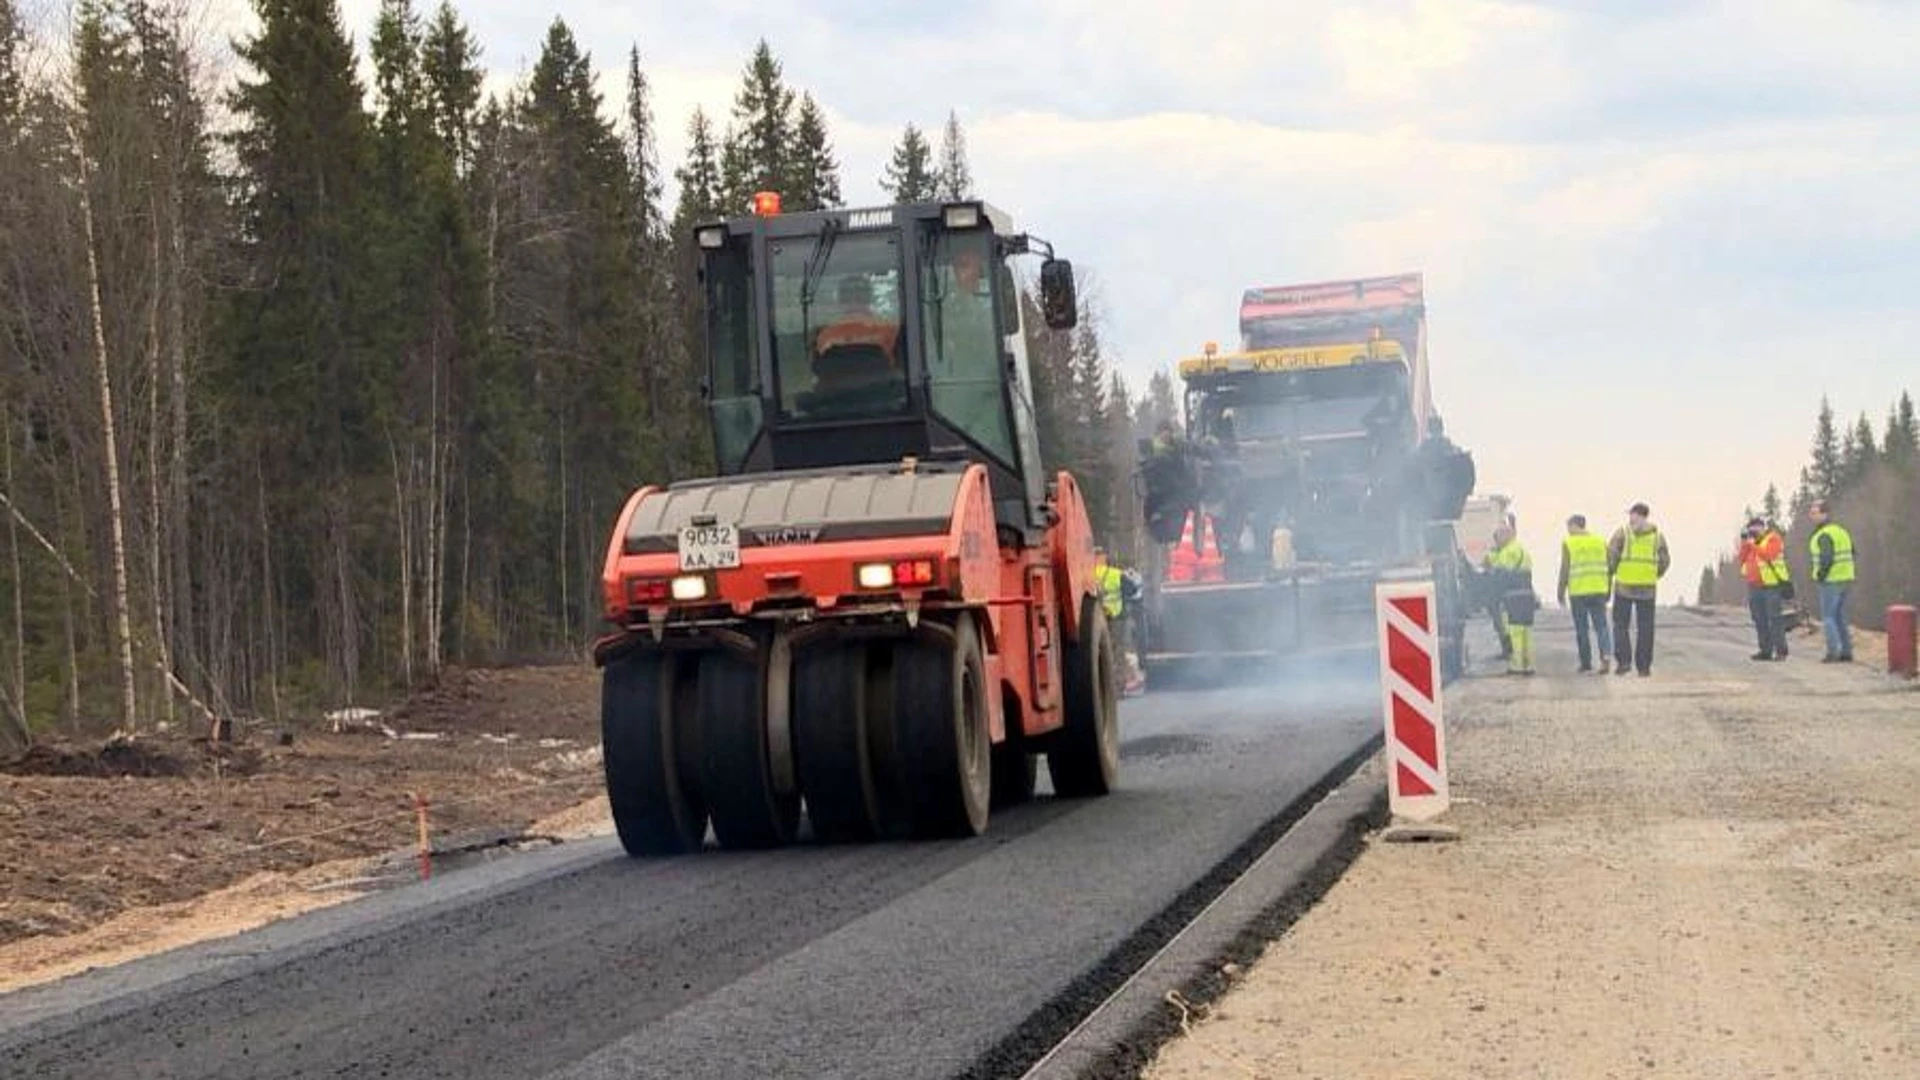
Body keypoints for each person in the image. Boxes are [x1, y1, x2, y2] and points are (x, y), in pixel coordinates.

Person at [1608, 502, 1670, 677]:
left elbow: (1611, 555)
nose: (1630, 518)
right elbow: (1665, 560)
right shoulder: (1658, 536)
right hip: (1647, 588)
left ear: (1639, 515)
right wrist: (1653, 574)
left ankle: (1624, 662)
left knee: (1620, 625)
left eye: (1632, 514)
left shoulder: (1622, 533)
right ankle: (1643, 667)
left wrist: (1612, 572)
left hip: (1624, 586)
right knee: (1646, 628)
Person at [1557, 514, 1613, 673]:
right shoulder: (1600, 541)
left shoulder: (1569, 542)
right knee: (1601, 626)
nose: (1568, 531)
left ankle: (1586, 662)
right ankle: (1606, 655)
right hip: (1598, 589)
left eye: (1569, 527)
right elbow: (1609, 567)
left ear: (1575, 525)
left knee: (1582, 629)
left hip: (1578, 591)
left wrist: (1560, 592)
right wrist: (1609, 589)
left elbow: (1565, 569)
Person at [1808, 500, 1857, 663]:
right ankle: (1846, 651)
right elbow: (1853, 552)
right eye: (1811, 513)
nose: (1812, 516)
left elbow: (1826, 558)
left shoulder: (1823, 535)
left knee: (1828, 616)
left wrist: (1821, 575)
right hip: (1846, 578)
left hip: (1830, 580)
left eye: (1815, 513)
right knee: (1840, 616)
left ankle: (1833, 652)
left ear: (1825, 514)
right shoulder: (1841, 531)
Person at [1738, 516, 1791, 661]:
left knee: (1774, 618)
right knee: (1759, 619)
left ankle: (1781, 650)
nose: (1753, 532)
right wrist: (1744, 544)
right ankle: (1765, 650)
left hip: (1771, 585)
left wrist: (1754, 546)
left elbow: (1769, 555)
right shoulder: (1750, 543)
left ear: (1762, 527)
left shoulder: (1773, 539)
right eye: (1751, 529)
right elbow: (1741, 559)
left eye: (1756, 528)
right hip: (1754, 586)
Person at [1487, 523, 1536, 675]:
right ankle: (1528, 664)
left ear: (1506, 535)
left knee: (1515, 631)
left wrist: (1491, 557)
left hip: (1513, 595)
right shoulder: (1521, 549)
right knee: (1526, 631)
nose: (1496, 541)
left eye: (1498, 537)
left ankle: (1517, 664)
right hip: (1527, 593)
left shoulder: (1508, 551)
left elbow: (1499, 572)